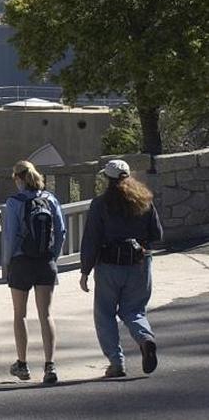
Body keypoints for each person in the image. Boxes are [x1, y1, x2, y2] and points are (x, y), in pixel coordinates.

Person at [80, 159, 164, 378]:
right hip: (139, 262)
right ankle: (145, 339)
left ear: (107, 179)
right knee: (134, 309)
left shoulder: (100, 204)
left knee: (105, 313)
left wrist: (85, 271)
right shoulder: (144, 200)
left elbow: (91, 239)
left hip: (109, 265)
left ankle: (117, 363)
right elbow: (157, 234)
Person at [3, 161, 66, 384]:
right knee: (46, 314)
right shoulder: (51, 199)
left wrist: (7, 262)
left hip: (21, 262)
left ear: (18, 178)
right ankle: (50, 366)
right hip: (45, 262)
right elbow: (61, 232)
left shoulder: (14, 202)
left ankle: (22, 365)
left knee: (20, 314)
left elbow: (10, 236)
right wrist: (53, 257)